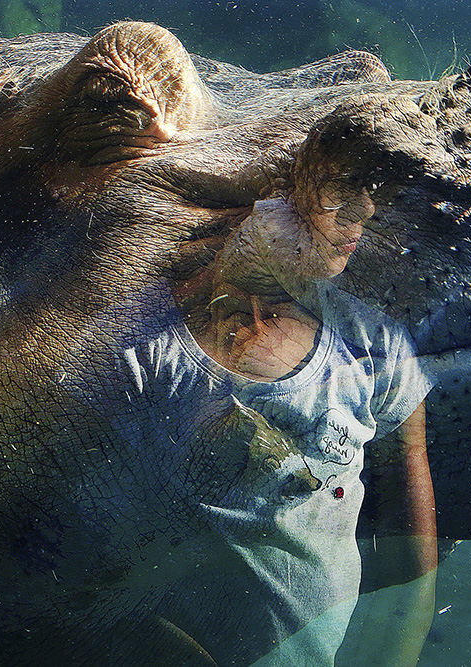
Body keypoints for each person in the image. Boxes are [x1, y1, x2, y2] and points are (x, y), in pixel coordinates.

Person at [96, 185, 436, 665]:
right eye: (339, 193)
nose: (363, 214)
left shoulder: (377, 346)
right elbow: (96, 563)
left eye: (370, 193)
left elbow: (412, 567)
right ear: (267, 195)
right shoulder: (140, 352)